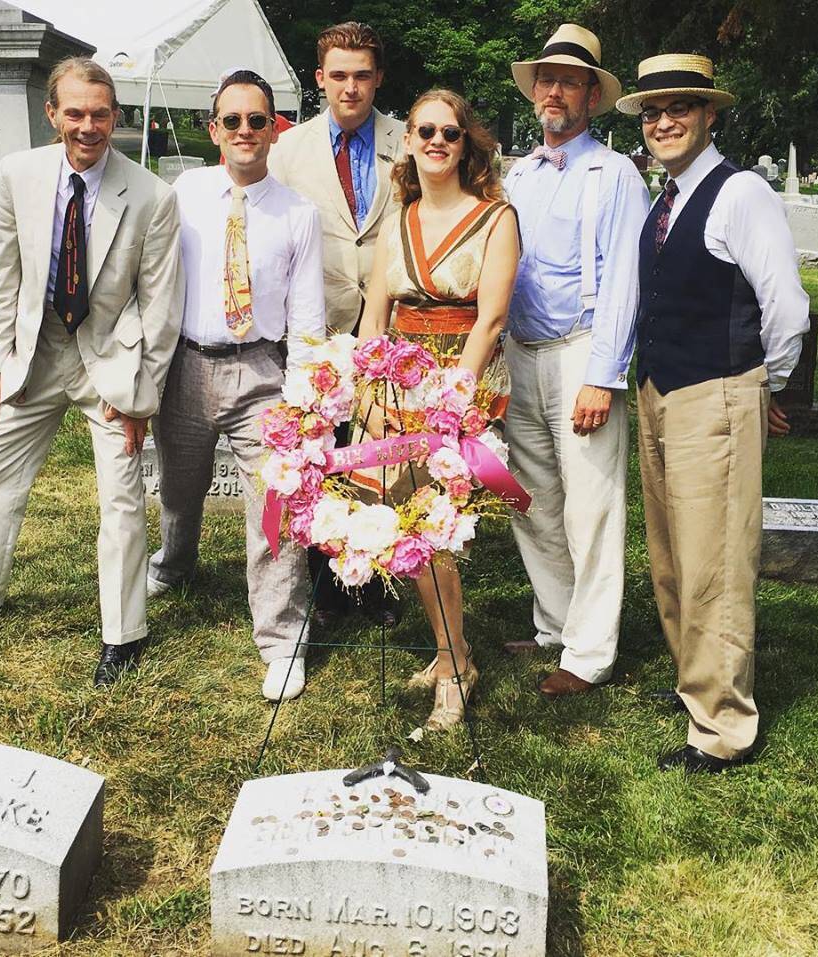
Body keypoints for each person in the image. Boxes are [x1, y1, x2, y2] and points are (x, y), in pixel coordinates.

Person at [0, 57, 184, 687]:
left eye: (100, 114)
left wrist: (140, 400)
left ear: (115, 117)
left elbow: (161, 306)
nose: (88, 126)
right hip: (32, 356)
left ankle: (123, 633)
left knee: (121, 500)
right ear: (53, 114)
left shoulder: (152, 195)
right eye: (75, 113)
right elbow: (2, 277)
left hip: (110, 365)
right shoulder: (18, 173)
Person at [616, 54, 809, 772]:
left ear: (708, 115)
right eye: (652, 111)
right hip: (661, 390)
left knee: (716, 561)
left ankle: (724, 728)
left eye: (680, 108)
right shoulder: (665, 198)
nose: (664, 121)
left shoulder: (741, 193)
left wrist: (769, 385)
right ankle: (696, 681)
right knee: (671, 555)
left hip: (717, 392)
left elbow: (788, 306)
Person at [146, 69, 325, 703]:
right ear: (214, 129)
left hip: (262, 371)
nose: (245, 131)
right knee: (179, 485)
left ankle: (282, 639)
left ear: (275, 129)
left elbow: (307, 319)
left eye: (257, 120)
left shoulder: (298, 214)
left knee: (276, 508)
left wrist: (303, 401)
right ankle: (172, 564)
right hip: (187, 367)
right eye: (232, 120)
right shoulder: (182, 192)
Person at [355, 89, 520, 732]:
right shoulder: (397, 220)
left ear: (465, 143)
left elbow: (492, 318)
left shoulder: (495, 218)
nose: (436, 142)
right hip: (396, 379)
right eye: (424, 130)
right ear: (408, 140)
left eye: (449, 133)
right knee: (402, 525)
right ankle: (452, 648)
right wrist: (367, 392)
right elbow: (376, 313)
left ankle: (453, 668)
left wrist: (450, 402)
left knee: (434, 526)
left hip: (461, 383)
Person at [502, 25, 649, 698]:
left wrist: (603, 374)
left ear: (592, 94)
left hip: (582, 347)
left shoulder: (615, 173)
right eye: (546, 79)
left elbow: (625, 278)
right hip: (520, 351)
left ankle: (589, 654)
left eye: (569, 80)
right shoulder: (518, 173)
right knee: (529, 498)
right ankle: (553, 622)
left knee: (590, 504)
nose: (554, 90)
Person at [268, 21, 405, 627]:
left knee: (378, 453)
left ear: (378, 79)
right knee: (320, 454)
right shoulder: (287, 150)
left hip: (389, 328)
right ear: (320, 78)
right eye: (339, 75)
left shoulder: (410, 141)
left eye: (363, 75)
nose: (351, 88)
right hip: (315, 328)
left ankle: (376, 582)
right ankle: (324, 585)